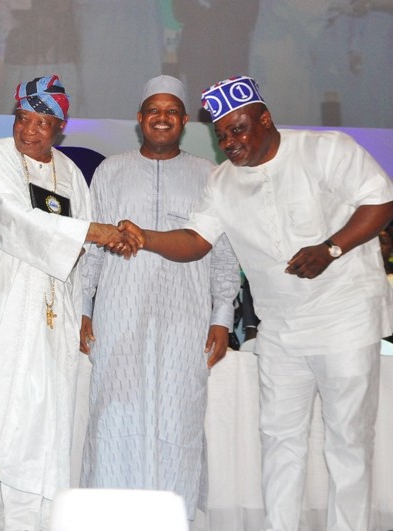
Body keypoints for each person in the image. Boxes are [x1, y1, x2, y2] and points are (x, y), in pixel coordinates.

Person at [121, 75, 393, 530]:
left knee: (348, 441)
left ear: (264, 119)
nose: (229, 141)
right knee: (279, 439)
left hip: (345, 319)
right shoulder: (222, 182)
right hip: (281, 331)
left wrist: (330, 249)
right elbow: (196, 239)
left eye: (238, 128)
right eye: (221, 134)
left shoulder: (325, 149)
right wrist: (144, 237)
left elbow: (380, 200)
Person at [0, 75, 137, 530]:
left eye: (42, 122)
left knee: (38, 436)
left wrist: (83, 308)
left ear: (59, 127)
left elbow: (82, 256)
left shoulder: (69, 174)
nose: (29, 131)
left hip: (48, 325)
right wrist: (89, 231)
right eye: (23, 119)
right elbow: (5, 218)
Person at [77, 75, 241, 521]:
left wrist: (221, 315)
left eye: (172, 111)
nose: (162, 118)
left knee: (179, 421)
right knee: (113, 418)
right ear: (140, 119)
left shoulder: (209, 176)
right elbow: (92, 246)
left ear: (185, 121)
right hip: (119, 314)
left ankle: (173, 520)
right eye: (154, 110)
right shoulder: (111, 171)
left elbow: (224, 254)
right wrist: (84, 308)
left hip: (184, 320)